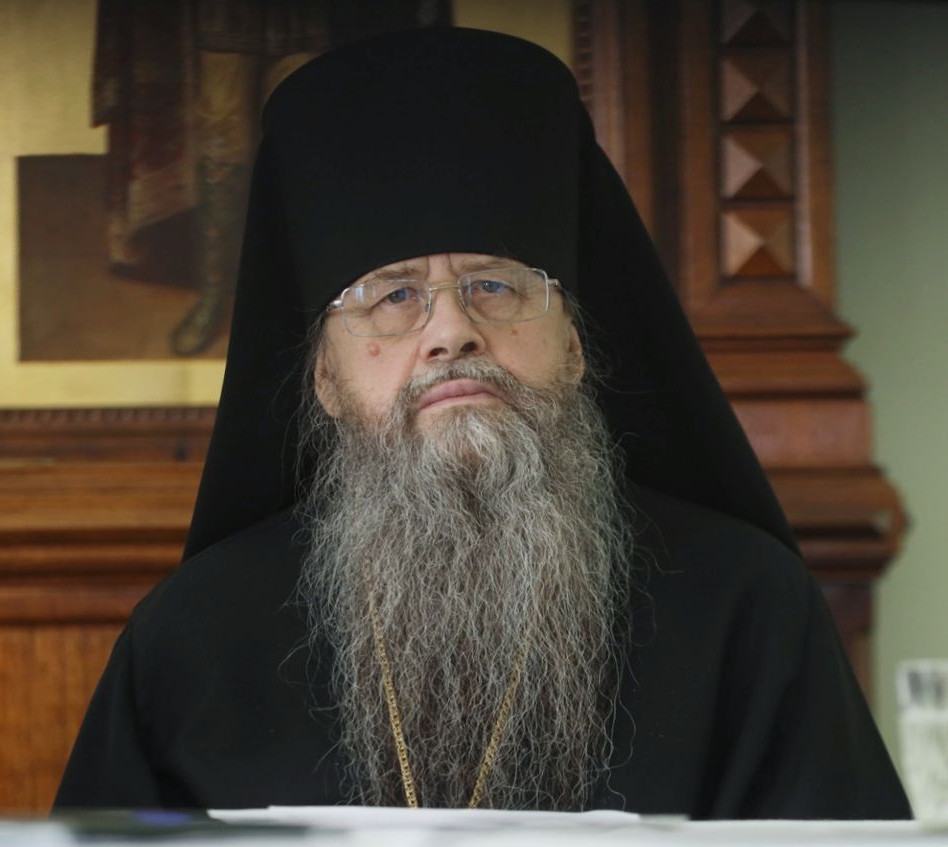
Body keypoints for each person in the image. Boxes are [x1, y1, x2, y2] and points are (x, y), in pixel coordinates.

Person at [55, 27, 911, 817]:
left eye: (495, 285)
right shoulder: (192, 638)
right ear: (325, 379)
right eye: (393, 297)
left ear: (572, 346)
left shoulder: (748, 611)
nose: (451, 330)